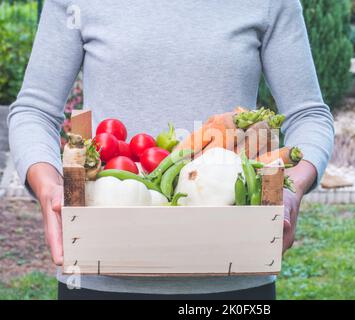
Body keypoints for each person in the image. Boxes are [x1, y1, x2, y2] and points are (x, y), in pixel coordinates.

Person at [8, 0, 334, 300]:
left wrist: (293, 189)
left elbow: (308, 116)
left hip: (234, 280)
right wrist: (48, 186)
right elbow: (34, 110)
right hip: (99, 275)